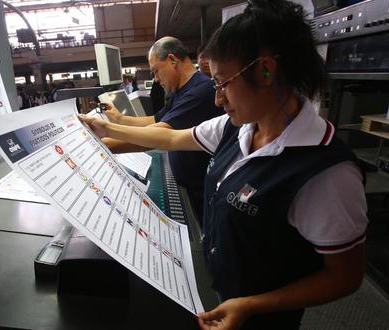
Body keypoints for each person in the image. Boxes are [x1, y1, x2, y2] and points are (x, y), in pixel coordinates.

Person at [80, 1, 367, 329]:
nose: (216, 99)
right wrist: (107, 128)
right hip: (224, 294)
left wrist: (250, 306)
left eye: (222, 83)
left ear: (266, 70)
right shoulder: (239, 128)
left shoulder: (326, 172)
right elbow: (172, 139)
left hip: (261, 317)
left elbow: (344, 278)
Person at [100, 36, 223, 222]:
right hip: (188, 186)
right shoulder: (181, 91)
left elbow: (156, 136)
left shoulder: (199, 92)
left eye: (155, 71)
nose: (156, 79)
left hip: (200, 194)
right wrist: (119, 118)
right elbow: (154, 121)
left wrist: (102, 141)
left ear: (172, 60)